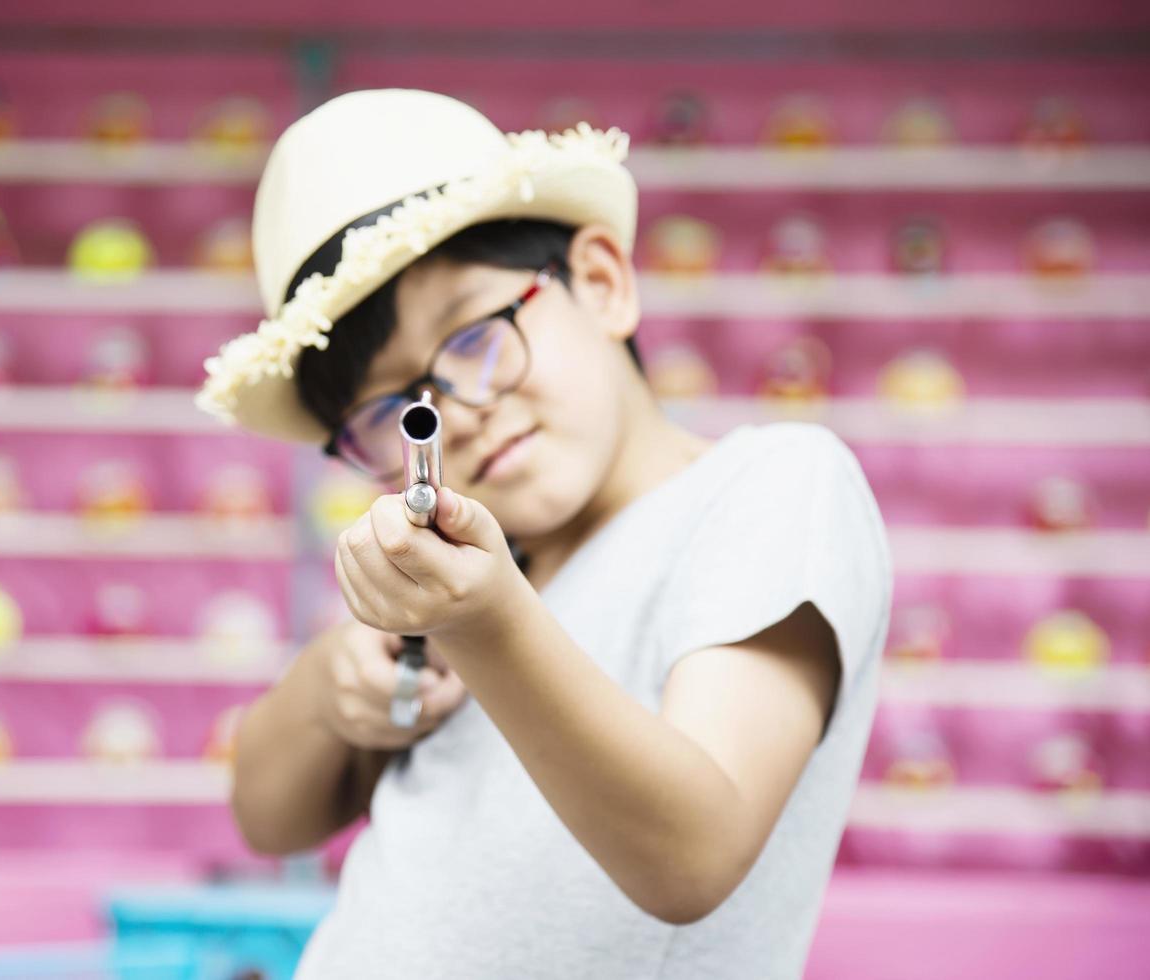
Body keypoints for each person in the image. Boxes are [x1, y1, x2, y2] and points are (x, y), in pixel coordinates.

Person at [196, 89, 893, 979]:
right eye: (390, 409)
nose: (454, 415)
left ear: (602, 282)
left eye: (476, 338)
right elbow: (268, 816)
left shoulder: (770, 485)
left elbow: (692, 853)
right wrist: (339, 683)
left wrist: (488, 624)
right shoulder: (472, 572)